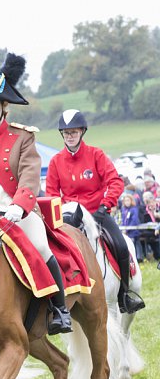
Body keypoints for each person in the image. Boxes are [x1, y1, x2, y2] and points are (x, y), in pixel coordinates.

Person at [0, 53, 72, 334]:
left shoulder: (23, 136)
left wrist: (19, 205)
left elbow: (30, 176)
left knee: (41, 248)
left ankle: (59, 309)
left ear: (4, 106)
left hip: (17, 213)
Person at [44, 109, 144, 313]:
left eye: (73, 132)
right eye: (66, 133)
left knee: (121, 245)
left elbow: (114, 181)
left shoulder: (96, 154)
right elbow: (52, 193)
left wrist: (105, 205)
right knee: (49, 252)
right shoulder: (55, 161)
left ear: (82, 132)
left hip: (97, 213)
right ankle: (57, 305)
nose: (69, 136)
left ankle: (124, 294)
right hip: (70, 218)